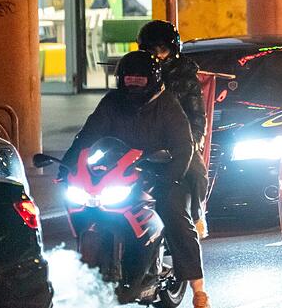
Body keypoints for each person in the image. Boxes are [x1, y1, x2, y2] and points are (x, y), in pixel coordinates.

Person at [61, 51, 210, 308]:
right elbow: (87, 136)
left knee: (173, 212)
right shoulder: (111, 102)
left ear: (152, 80)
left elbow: (183, 146)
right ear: (120, 80)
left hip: (164, 172)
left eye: (139, 80)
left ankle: (198, 289)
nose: (133, 85)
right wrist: (67, 166)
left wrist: (170, 176)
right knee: (86, 203)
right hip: (121, 172)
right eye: (129, 79)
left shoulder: (167, 105)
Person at [138, 20, 209, 240]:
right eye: (151, 50)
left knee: (197, 172)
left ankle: (197, 215)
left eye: (162, 50)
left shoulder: (185, 76)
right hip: (141, 139)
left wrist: (193, 140)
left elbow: (197, 115)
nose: (157, 55)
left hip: (178, 138)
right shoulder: (136, 72)